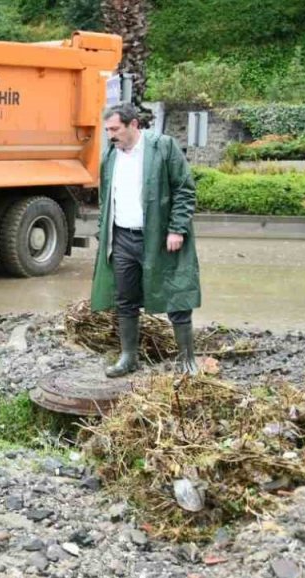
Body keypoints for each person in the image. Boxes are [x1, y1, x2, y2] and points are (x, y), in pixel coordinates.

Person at [90, 102, 202, 377]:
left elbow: (185, 189)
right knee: (125, 298)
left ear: (134, 125)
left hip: (160, 237)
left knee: (177, 294)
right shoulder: (110, 155)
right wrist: (102, 232)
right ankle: (129, 357)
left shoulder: (163, 147)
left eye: (115, 129)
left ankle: (187, 359)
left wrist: (177, 228)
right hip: (122, 238)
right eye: (107, 130)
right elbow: (105, 198)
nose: (110, 135)